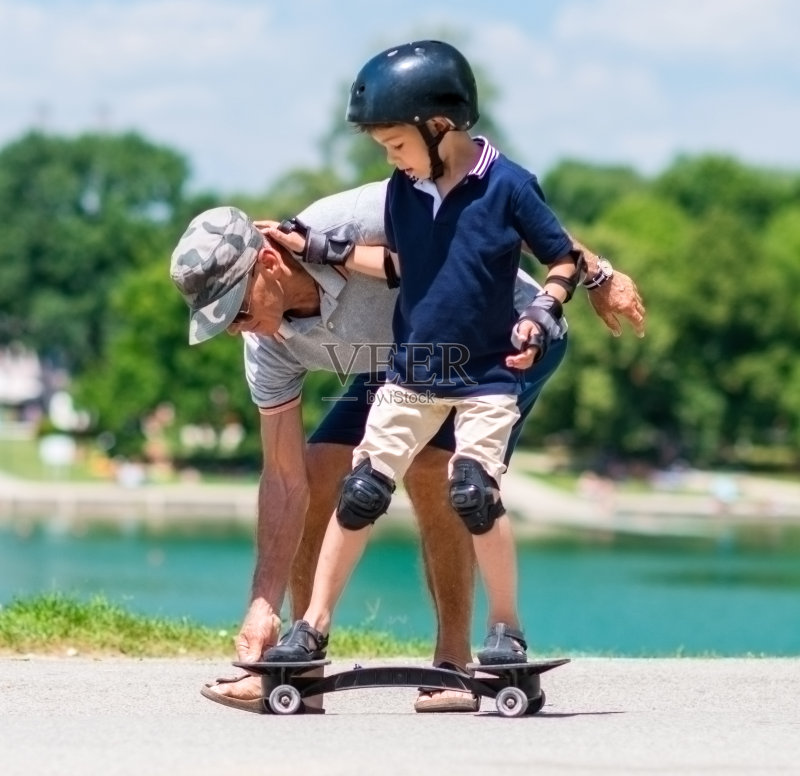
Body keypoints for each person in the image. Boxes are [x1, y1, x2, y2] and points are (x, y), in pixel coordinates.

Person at [170, 182, 645, 712]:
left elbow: (499, 211)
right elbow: (283, 479)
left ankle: (453, 661)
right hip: (402, 363)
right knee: (319, 466)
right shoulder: (268, 345)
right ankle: (298, 660)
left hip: (502, 335)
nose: (237, 331)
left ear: (268, 265)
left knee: (432, 468)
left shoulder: (350, 222)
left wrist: (597, 273)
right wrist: (261, 604)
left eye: (235, 310)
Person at [263, 39, 587, 667]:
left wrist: (546, 312)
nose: (392, 159)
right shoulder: (404, 191)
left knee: (472, 490)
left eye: (395, 144)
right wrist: (321, 247)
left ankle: (505, 628)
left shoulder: (510, 186)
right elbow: (397, 266)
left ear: (440, 125)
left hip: (489, 375)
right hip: (413, 375)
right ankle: (312, 626)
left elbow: (563, 257)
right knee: (361, 489)